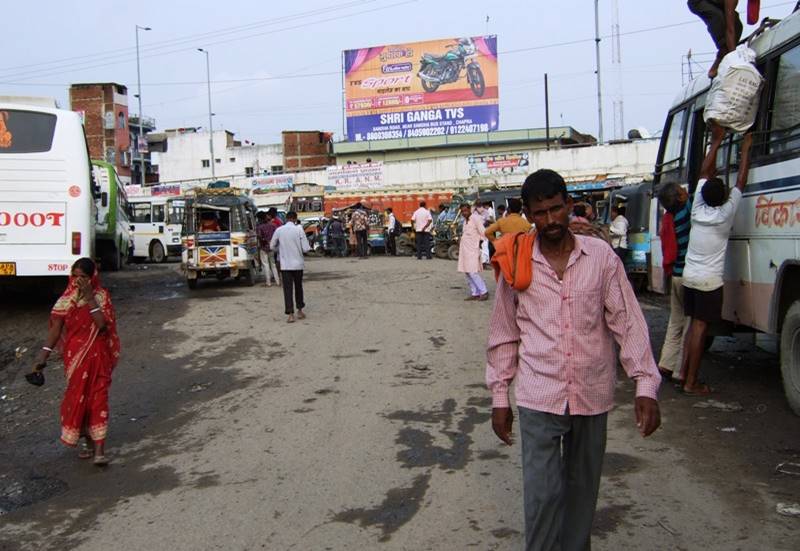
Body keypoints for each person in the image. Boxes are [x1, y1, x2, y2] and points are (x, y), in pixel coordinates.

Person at [486, 169, 661, 551]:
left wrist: (645, 384)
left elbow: (627, 321)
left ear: (568, 205)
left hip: (591, 392)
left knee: (583, 494)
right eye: (540, 213)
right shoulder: (516, 261)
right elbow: (504, 333)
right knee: (542, 495)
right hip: (539, 394)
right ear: (529, 215)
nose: (550, 220)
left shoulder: (601, 258)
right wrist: (500, 396)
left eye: (556, 209)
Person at [680, 125, 753, 395]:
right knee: (700, 329)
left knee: (692, 327)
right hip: (709, 282)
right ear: (723, 197)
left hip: (689, 278)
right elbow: (741, 180)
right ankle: (691, 382)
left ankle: (683, 374)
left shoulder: (697, 210)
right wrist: (746, 149)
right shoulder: (725, 216)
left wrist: (717, 141)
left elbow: (704, 172)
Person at [29, 258, 121, 466]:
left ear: (92, 278)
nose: (78, 281)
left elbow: (102, 326)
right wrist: (42, 355)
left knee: (98, 399)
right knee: (79, 399)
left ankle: (100, 451)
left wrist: (89, 298)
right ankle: (87, 442)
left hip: (97, 355)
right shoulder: (66, 299)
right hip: (75, 358)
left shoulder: (101, 297)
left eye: (84, 277)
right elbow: (55, 330)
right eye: (75, 276)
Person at [657, 183, 692, 381]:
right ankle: (680, 370)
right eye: (682, 190)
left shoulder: (668, 219)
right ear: (679, 197)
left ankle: (666, 363)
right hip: (688, 276)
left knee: (675, 321)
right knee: (689, 324)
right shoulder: (686, 214)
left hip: (675, 275)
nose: (686, 191)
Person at [270, 211, 311, 324]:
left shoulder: (279, 230)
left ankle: (290, 314)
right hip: (298, 264)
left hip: (285, 265)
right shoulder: (299, 229)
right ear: (295, 219)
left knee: (287, 289)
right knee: (298, 287)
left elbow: (272, 246)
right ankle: (300, 310)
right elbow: (306, 248)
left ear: (286, 219)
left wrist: (280, 250)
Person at [688, 0, 744, 78]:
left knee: (738, 25)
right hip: (697, 2)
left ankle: (723, 56)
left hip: (714, 4)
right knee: (718, 17)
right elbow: (730, 29)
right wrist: (734, 58)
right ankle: (722, 54)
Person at [458, 204, 489, 301]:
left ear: (470, 210)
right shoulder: (465, 221)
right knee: (467, 271)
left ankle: (484, 292)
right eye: (462, 211)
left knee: (472, 272)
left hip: (473, 249)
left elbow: (483, 232)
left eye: (466, 211)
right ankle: (475, 292)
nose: (464, 213)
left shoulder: (476, 219)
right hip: (465, 250)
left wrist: (480, 242)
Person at [256, 211, 280, 287]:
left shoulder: (259, 227)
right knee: (273, 264)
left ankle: (268, 282)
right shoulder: (273, 225)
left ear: (259, 218)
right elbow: (276, 235)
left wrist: (263, 240)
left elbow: (259, 237)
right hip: (271, 247)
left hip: (263, 247)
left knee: (265, 265)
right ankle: (277, 281)